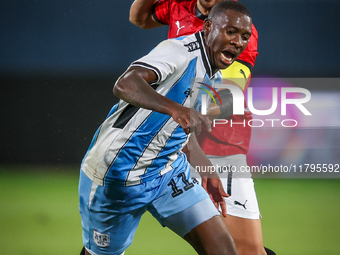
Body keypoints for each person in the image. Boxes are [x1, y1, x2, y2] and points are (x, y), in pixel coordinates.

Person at [79, 1, 253, 254]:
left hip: (167, 172)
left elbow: (174, 134)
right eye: (231, 32)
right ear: (208, 27)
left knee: (223, 250)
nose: (238, 41)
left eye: (244, 36)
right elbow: (125, 83)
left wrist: (206, 169)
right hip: (118, 175)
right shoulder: (178, 51)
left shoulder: (213, 75)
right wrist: (175, 108)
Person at [130, 1, 276, 255]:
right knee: (104, 236)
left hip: (217, 146)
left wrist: (174, 102)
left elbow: (227, 98)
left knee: (245, 250)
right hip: (166, 143)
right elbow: (139, 18)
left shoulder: (239, 31)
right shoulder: (180, 7)